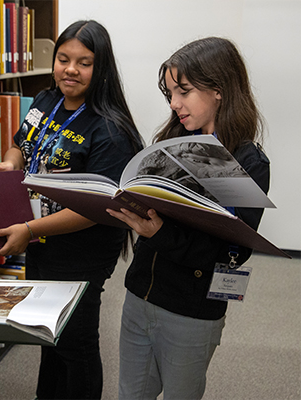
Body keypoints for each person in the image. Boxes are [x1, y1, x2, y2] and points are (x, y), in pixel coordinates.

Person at [107, 37, 270, 399]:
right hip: (140, 296)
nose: (174, 103)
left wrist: (162, 232)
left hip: (190, 311)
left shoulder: (245, 161)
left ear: (219, 90)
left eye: (183, 91)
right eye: (169, 93)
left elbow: (232, 252)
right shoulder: (173, 141)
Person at [0, 20, 144, 399]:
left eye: (84, 62)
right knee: (48, 333)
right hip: (40, 239)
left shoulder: (110, 130)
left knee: (76, 343)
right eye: (63, 59)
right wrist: (11, 165)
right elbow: (19, 145)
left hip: (81, 250)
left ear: (101, 67)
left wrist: (29, 229)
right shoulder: (45, 101)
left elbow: (97, 209)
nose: (70, 69)